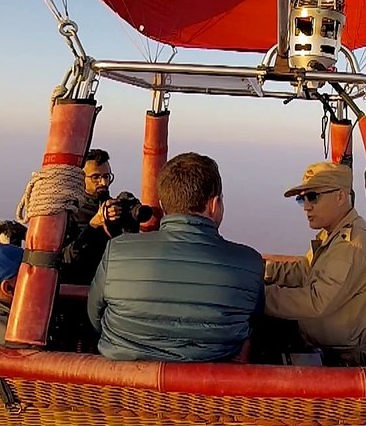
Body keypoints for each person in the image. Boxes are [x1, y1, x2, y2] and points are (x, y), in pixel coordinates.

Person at [88, 152, 263, 362]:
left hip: (124, 390)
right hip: (208, 390)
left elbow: (95, 318)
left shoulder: (116, 251)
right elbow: (253, 324)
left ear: (162, 204)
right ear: (214, 204)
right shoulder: (249, 263)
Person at [263, 162, 366, 366]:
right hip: (317, 345)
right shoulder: (332, 233)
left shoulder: (352, 245)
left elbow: (317, 301)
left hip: (342, 362)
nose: (306, 206)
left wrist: (257, 297)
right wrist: (262, 271)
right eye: (302, 199)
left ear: (341, 196)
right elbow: (304, 270)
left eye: (313, 196)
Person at [59, 148, 129, 285]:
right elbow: (65, 259)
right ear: (81, 179)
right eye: (95, 177)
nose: (103, 183)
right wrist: (93, 226)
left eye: (107, 176)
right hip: (80, 288)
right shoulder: (69, 212)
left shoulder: (116, 209)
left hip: (113, 286)